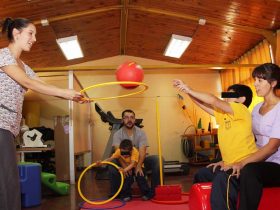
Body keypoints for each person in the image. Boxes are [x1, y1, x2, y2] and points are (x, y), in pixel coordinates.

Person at [0, 17, 88, 210]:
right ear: (16, 33)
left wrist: (72, 95)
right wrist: (67, 93)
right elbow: (29, 83)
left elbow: (42, 85)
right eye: (31, 33)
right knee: (7, 182)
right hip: (0, 125)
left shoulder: (23, 65)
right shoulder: (3, 56)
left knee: (8, 180)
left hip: (9, 128)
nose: (34, 39)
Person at [173, 80, 258, 210]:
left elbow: (213, 100)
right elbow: (203, 104)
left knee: (222, 179)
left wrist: (189, 88)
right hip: (228, 164)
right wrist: (188, 93)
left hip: (244, 165)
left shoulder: (241, 109)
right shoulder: (225, 115)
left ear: (242, 99)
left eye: (230, 95)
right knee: (202, 174)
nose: (226, 98)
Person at [218, 63, 280, 210]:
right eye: (255, 80)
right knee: (221, 172)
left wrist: (241, 163)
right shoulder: (257, 108)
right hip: (255, 160)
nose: (255, 84)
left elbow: (272, 147)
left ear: (273, 83)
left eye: (260, 80)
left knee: (249, 171)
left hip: (276, 165)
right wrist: (228, 160)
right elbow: (247, 138)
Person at [109, 109, 162, 198]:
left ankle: (153, 192)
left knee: (158, 159)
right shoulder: (117, 134)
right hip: (124, 161)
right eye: (126, 117)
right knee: (112, 164)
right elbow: (118, 153)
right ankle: (117, 194)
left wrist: (138, 166)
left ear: (135, 120)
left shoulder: (141, 133)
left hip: (139, 161)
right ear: (122, 120)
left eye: (132, 117)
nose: (129, 120)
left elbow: (142, 150)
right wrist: (126, 167)